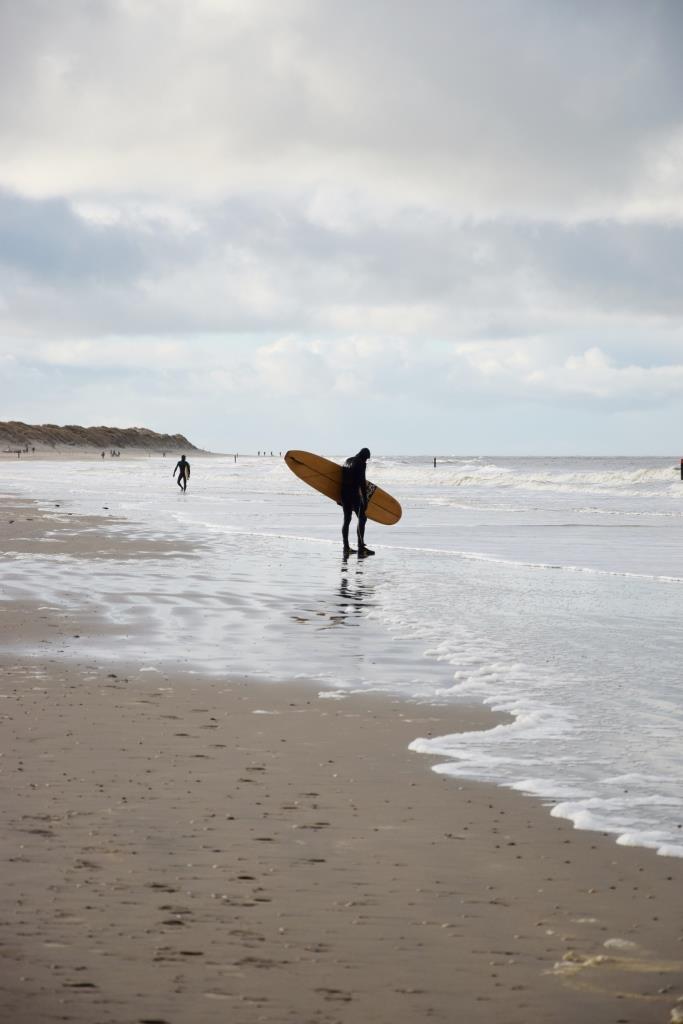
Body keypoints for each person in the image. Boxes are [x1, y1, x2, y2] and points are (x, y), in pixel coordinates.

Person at [341, 447, 374, 558]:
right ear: (364, 456)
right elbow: (362, 483)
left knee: (347, 519)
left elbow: (340, 479)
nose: (366, 461)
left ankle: (346, 547)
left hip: (344, 494)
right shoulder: (360, 463)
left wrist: (338, 498)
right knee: (362, 518)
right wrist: (365, 500)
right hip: (353, 494)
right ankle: (361, 548)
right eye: (366, 459)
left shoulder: (347, 461)